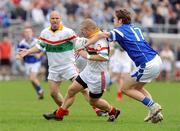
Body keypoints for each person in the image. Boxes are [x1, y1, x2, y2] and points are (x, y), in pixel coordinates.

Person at [16, 11, 106, 119]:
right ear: (49, 20)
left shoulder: (68, 32)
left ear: (60, 19)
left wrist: (91, 48)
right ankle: (63, 110)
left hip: (68, 66)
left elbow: (79, 43)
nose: (55, 20)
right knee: (53, 93)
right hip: (53, 68)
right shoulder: (45, 33)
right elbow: (39, 47)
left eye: (57, 18)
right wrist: (28, 51)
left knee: (82, 89)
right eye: (52, 18)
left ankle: (98, 109)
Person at [81, 9, 163, 123]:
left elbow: (101, 35)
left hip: (147, 63)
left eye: (114, 18)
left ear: (120, 20)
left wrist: (85, 45)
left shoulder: (119, 30)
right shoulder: (135, 27)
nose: (113, 20)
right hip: (157, 60)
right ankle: (155, 113)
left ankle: (153, 106)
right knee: (138, 88)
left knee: (124, 88)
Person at [53, 19, 120, 122]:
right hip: (88, 71)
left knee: (93, 102)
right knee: (72, 90)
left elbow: (104, 57)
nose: (82, 33)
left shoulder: (100, 40)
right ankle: (59, 115)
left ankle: (112, 110)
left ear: (88, 29)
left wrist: (86, 55)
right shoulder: (92, 38)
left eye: (83, 30)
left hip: (99, 76)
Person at [17, 27, 44, 99]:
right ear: (24, 34)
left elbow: (43, 49)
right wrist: (19, 56)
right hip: (27, 63)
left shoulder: (36, 41)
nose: (28, 34)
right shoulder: (22, 43)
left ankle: (41, 90)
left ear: (32, 33)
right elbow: (19, 52)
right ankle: (39, 93)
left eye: (29, 32)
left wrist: (40, 55)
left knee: (32, 78)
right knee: (31, 80)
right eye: (26, 32)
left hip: (36, 62)